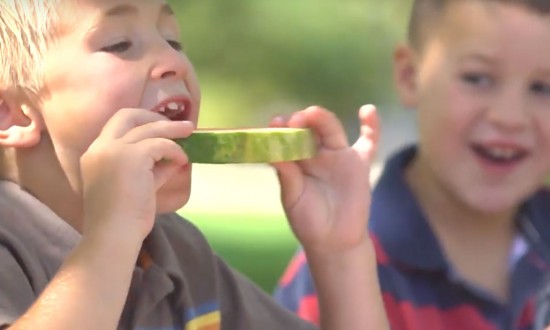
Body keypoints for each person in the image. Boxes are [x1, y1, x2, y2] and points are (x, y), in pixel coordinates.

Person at [0, 0, 389, 329]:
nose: (173, 60)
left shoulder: (178, 256)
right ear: (12, 113)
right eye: (120, 44)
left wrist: (340, 251)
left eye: (173, 40)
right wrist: (111, 240)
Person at [274, 0, 550, 329]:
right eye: (477, 78)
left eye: (543, 88)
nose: (510, 117)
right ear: (409, 75)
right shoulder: (339, 263)